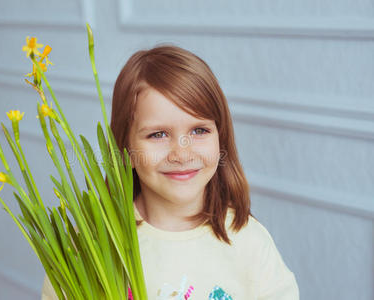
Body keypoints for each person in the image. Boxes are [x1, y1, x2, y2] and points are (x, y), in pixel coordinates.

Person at [41, 45, 300, 300]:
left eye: (199, 130)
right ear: (126, 150)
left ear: (220, 137)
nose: (182, 153)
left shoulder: (248, 241)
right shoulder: (90, 244)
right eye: (158, 134)